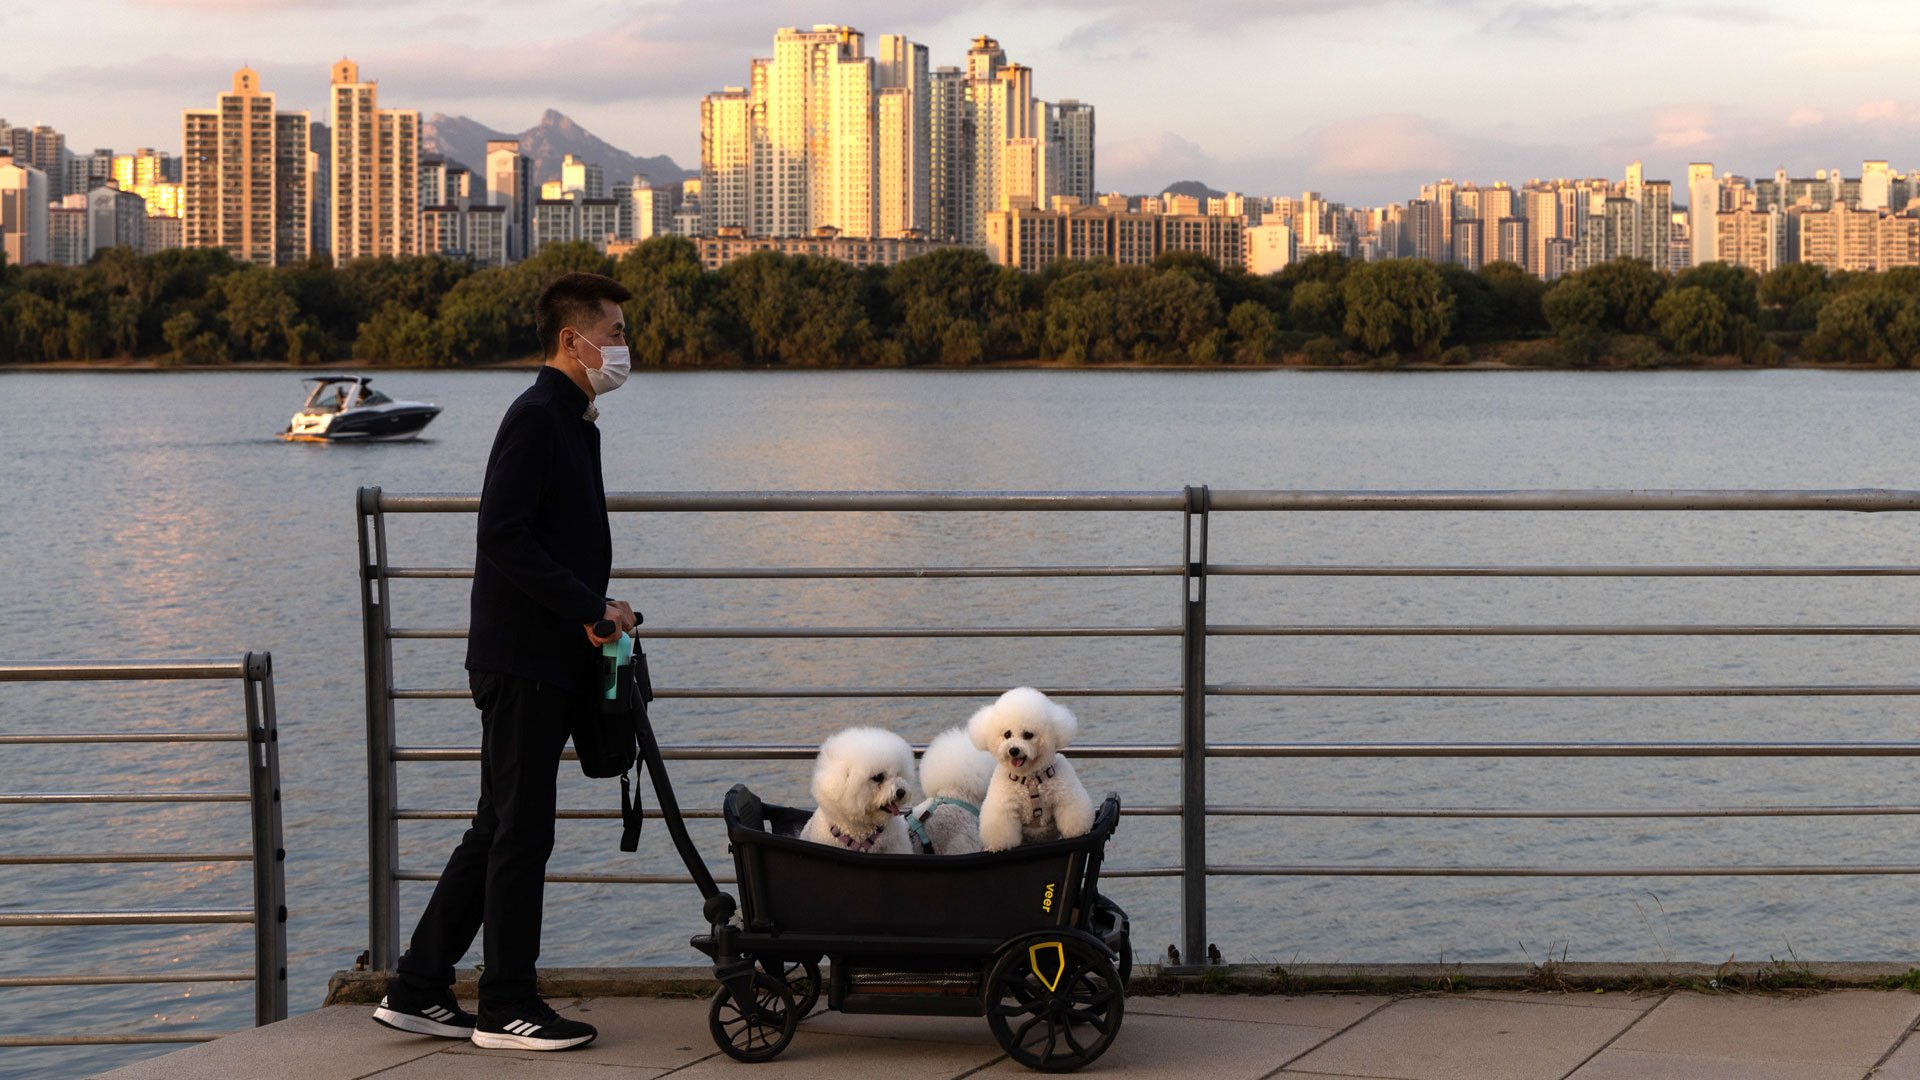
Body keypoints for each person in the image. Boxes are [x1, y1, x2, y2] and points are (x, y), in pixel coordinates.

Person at [373, 272, 636, 1052]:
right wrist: (588, 607)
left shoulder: (567, 417)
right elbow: (504, 535)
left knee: (497, 827)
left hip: (542, 652)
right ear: (573, 339)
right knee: (523, 832)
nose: (623, 347)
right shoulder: (537, 417)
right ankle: (507, 1005)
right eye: (615, 332)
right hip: (524, 661)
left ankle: (420, 988)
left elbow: (543, 541)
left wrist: (598, 606)